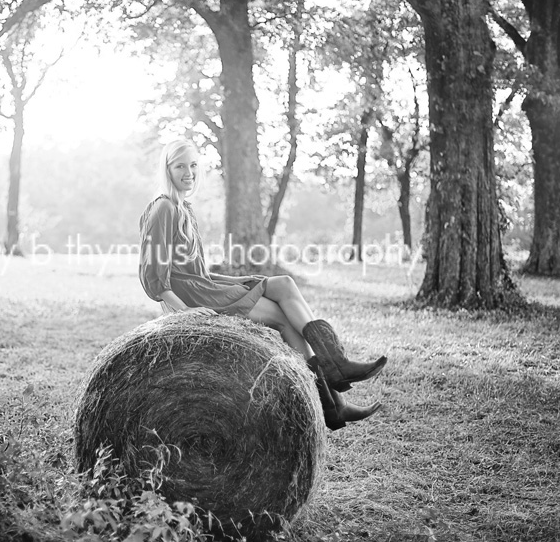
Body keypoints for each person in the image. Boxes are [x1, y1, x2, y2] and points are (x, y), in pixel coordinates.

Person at [138, 139, 387, 431]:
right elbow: (155, 275)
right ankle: (332, 403)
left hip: (203, 284)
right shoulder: (163, 209)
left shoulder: (183, 208)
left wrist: (237, 281)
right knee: (283, 319)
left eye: (193, 165)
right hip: (192, 295)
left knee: (283, 283)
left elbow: (197, 269)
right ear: (167, 169)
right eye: (180, 166)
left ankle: (335, 366)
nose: (189, 172)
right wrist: (186, 312)